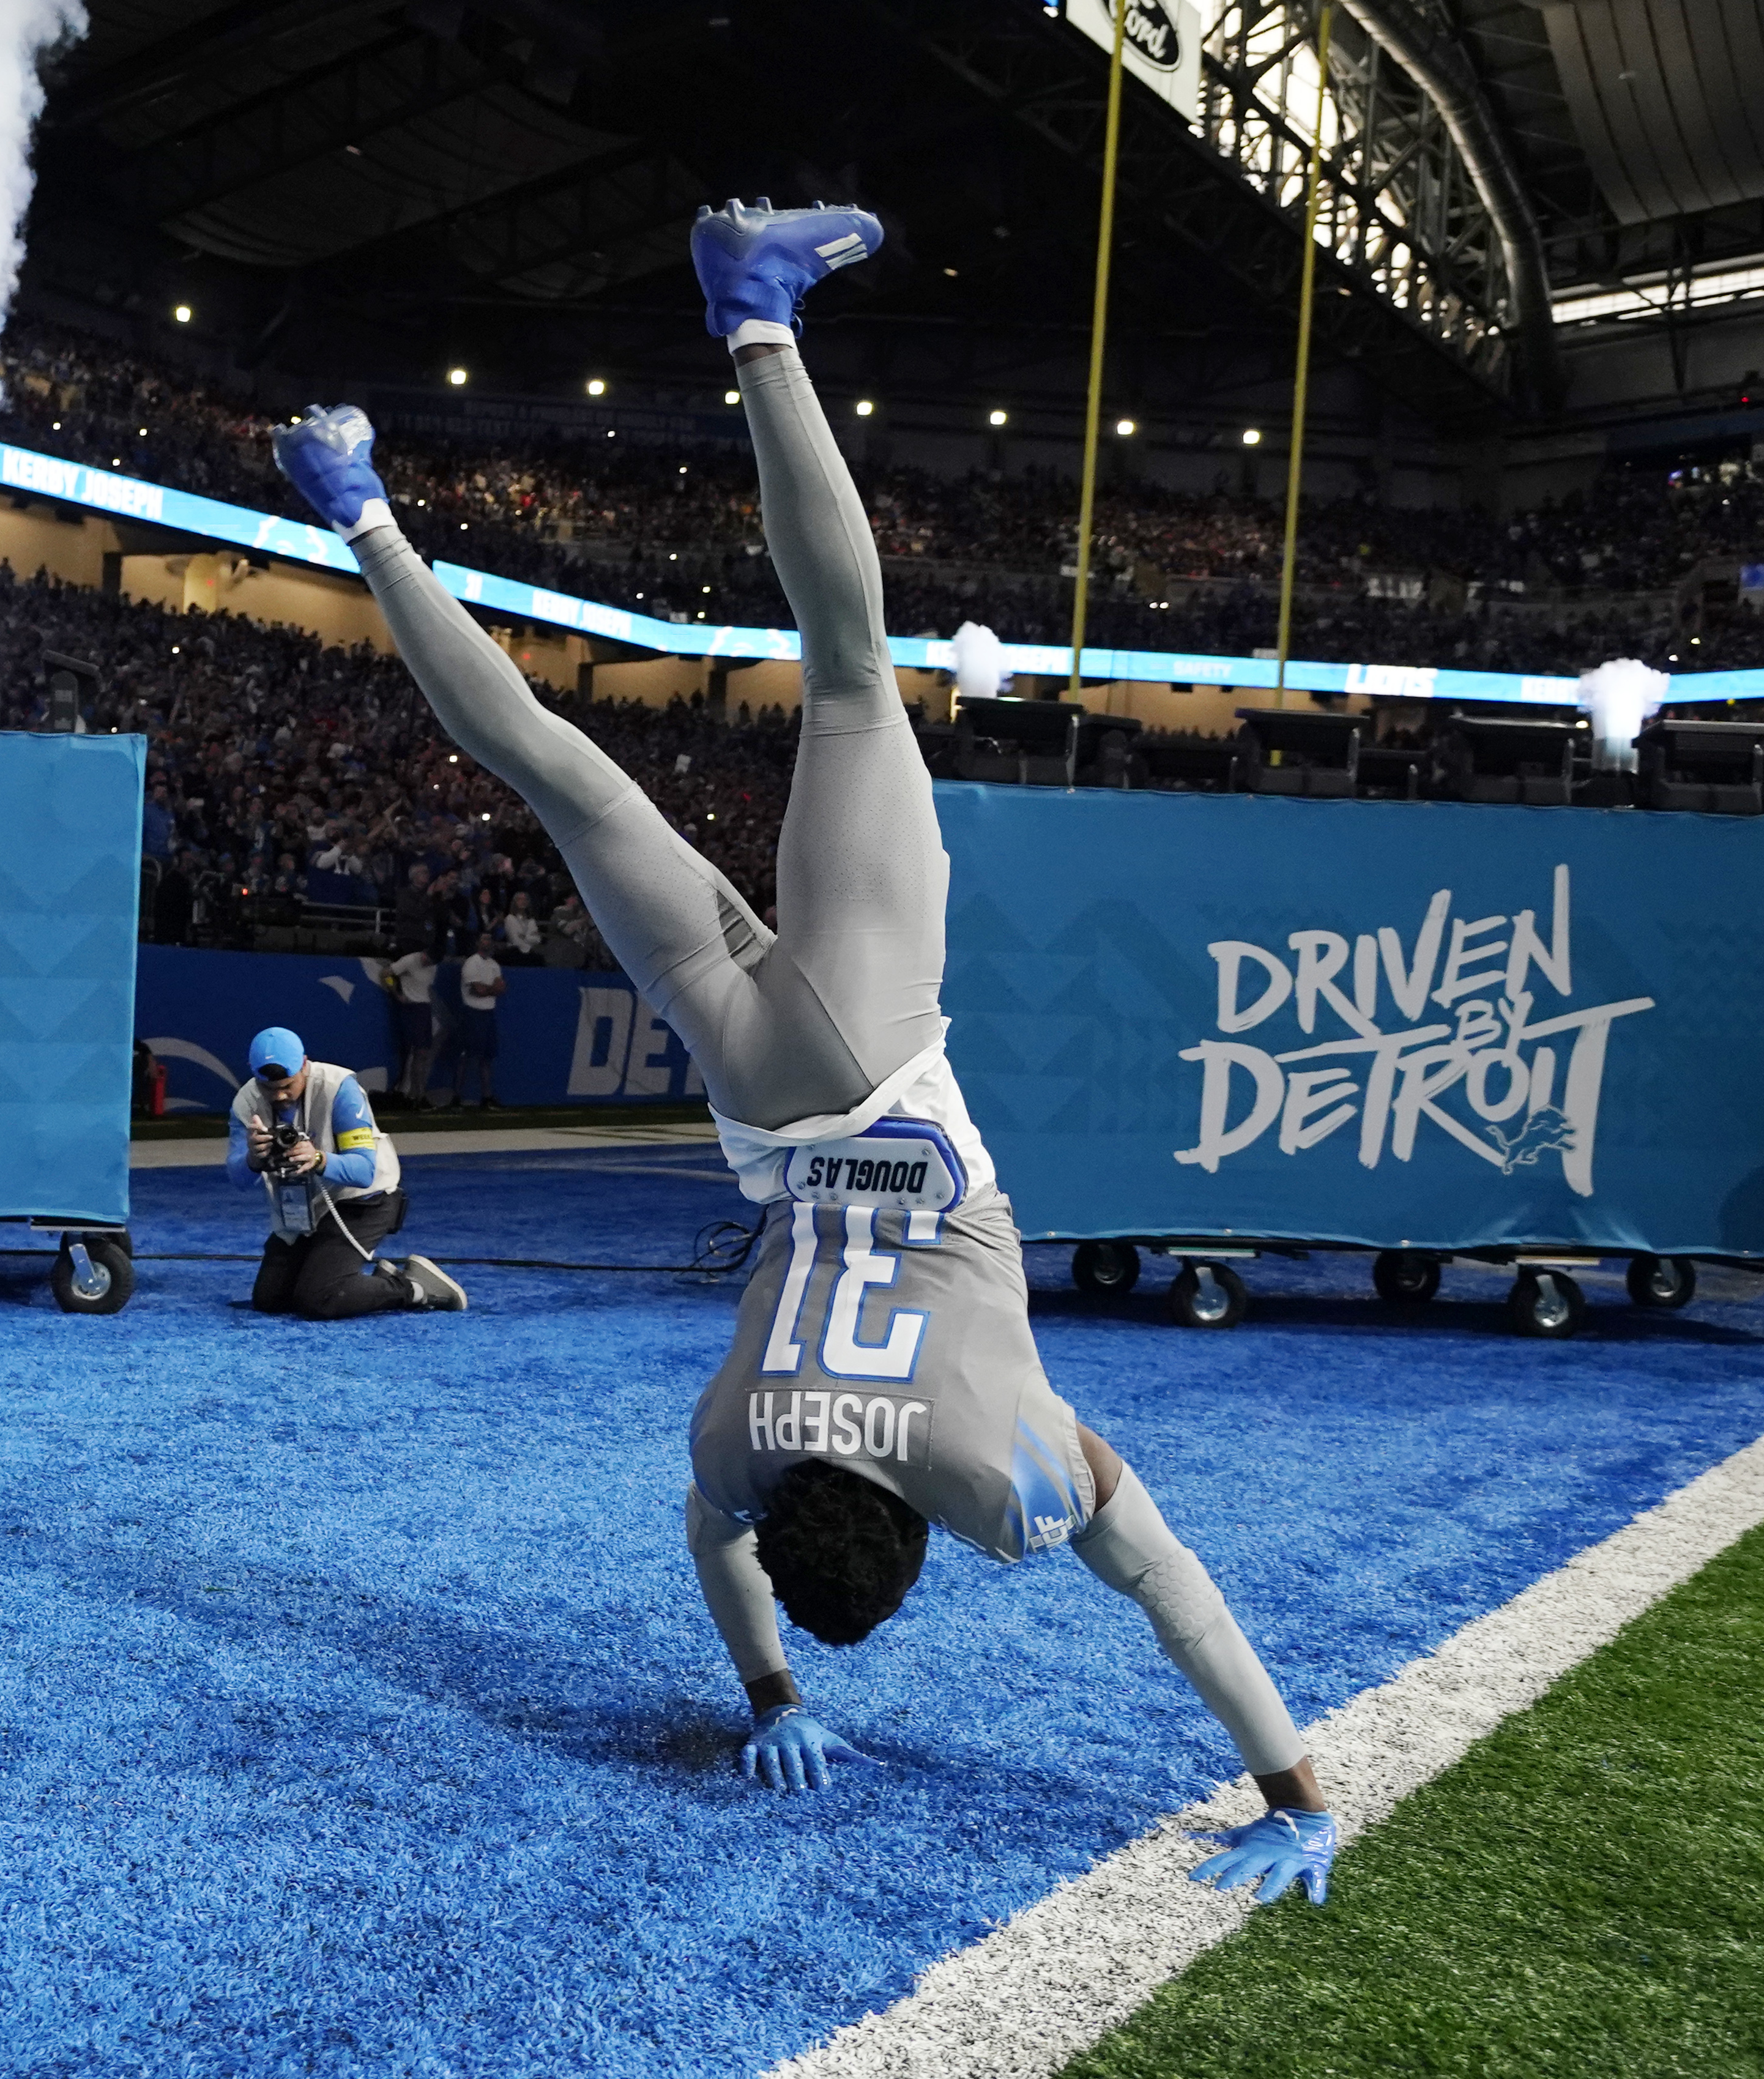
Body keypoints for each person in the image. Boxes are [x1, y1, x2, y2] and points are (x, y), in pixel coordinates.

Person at [272, 199, 1334, 1908]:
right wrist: (761, 1685)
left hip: (878, 1050)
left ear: (919, 1530)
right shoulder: (737, 1446)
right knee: (559, 775)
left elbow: (1175, 1586)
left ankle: (755, 315)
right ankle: (359, 506)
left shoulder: (1006, 1475)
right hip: (757, 1100)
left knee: (850, 676)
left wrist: (1293, 1789)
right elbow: (717, 1548)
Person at [227, 1025, 467, 1318]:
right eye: (269, 1088)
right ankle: (355, 1280)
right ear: (253, 1075)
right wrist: (253, 1159)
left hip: (365, 1199)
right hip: (307, 1208)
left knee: (319, 1297)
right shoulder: (245, 1102)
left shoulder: (339, 1087)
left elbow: (364, 1170)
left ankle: (411, 1288)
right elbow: (238, 1179)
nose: (279, 1097)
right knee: (270, 1299)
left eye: (287, 1086)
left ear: (305, 1065)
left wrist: (318, 1159)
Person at [444, 930, 505, 1109]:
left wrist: (488, 989)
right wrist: (491, 989)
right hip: (473, 1013)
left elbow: (501, 988)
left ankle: (487, 1097)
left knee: (487, 1057)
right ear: (477, 943)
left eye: (489, 938)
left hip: (488, 1013)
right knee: (466, 1056)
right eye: (484, 938)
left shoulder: (494, 964)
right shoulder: (472, 964)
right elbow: (477, 991)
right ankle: (456, 1097)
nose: (487, 942)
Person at [384, 942, 440, 1106]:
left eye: (429, 962)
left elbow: (425, 987)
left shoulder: (433, 968)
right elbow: (386, 974)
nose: (425, 963)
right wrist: (396, 994)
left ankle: (418, 1093)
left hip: (424, 1007)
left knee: (422, 1053)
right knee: (414, 1052)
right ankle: (413, 1093)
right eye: (425, 959)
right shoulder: (409, 961)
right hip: (411, 1008)